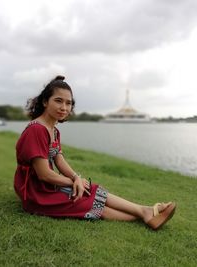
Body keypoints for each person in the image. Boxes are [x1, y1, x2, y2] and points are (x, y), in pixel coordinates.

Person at [14, 75, 176, 230]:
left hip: (48, 186)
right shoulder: (37, 130)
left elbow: (59, 159)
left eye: (68, 103)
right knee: (90, 203)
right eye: (58, 101)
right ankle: (146, 215)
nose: (64, 107)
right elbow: (44, 174)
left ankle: (145, 211)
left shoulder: (53, 130)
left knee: (92, 189)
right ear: (45, 101)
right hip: (36, 193)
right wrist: (73, 183)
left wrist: (77, 178)